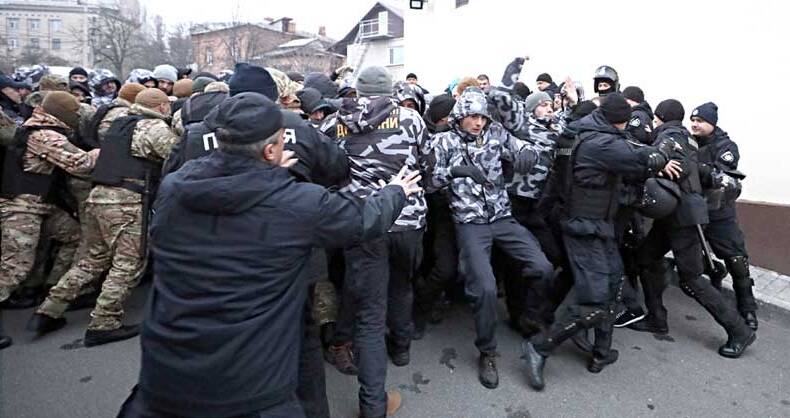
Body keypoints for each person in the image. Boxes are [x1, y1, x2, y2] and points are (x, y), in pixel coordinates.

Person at [116, 92, 420, 418]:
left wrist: (268, 174)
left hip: (164, 382)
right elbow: (362, 220)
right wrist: (396, 190)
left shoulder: (175, 188)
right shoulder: (297, 202)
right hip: (251, 391)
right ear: (271, 149)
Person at [522, 94, 678, 390]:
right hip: (585, 228)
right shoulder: (601, 144)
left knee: (613, 285)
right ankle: (539, 346)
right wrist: (667, 146)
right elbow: (647, 160)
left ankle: (601, 352)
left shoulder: (579, 131)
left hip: (593, 225)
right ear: (617, 123)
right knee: (594, 302)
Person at [29, 88, 180, 346]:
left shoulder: (119, 125)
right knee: (130, 262)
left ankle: (49, 309)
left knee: (92, 258)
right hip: (127, 201)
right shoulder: (153, 127)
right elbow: (176, 155)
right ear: (163, 107)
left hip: (98, 197)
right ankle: (104, 322)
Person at [321, 66, 426, 417]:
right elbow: (429, 164)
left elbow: (325, 168)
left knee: (369, 312)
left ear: (358, 88)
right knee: (402, 285)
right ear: (390, 89)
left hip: (360, 223)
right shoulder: (410, 119)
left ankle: (373, 405)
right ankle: (400, 346)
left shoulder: (333, 122)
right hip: (407, 218)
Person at [432, 86, 554, 389]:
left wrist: (528, 155)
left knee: (543, 267)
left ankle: (530, 320)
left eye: (482, 117)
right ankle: (487, 350)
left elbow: (525, 146)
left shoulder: (496, 133)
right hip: (470, 222)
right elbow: (427, 180)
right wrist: (454, 171)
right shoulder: (443, 141)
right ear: (461, 116)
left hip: (502, 217)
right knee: (484, 287)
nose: (478, 123)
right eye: (473, 116)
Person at [628, 99, 756, 358]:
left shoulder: (672, 137)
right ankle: (656, 317)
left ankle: (739, 330)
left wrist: (656, 162)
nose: (653, 122)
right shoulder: (682, 137)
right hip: (671, 216)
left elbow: (677, 163)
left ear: (661, 117)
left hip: (684, 218)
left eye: (656, 118)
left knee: (693, 278)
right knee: (643, 258)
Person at [0, 92, 92, 305]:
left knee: (74, 236)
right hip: (21, 208)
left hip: (41, 204)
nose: (77, 117)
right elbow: (81, 165)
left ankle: (52, 286)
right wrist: (96, 154)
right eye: (75, 113)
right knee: (14, 267)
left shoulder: (41, 128)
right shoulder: (44, 135)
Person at [692, 102, 758, 330]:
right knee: (688, 254)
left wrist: (697, 168)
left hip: (719, 212)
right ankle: (713, 274)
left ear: (712, 123)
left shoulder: (726, 146)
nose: (695, 125)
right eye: (693, 120)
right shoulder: (688, 142)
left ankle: (747, 307)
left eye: (700, 121)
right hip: (692, 210)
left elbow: (721, 175)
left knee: (736, 258)